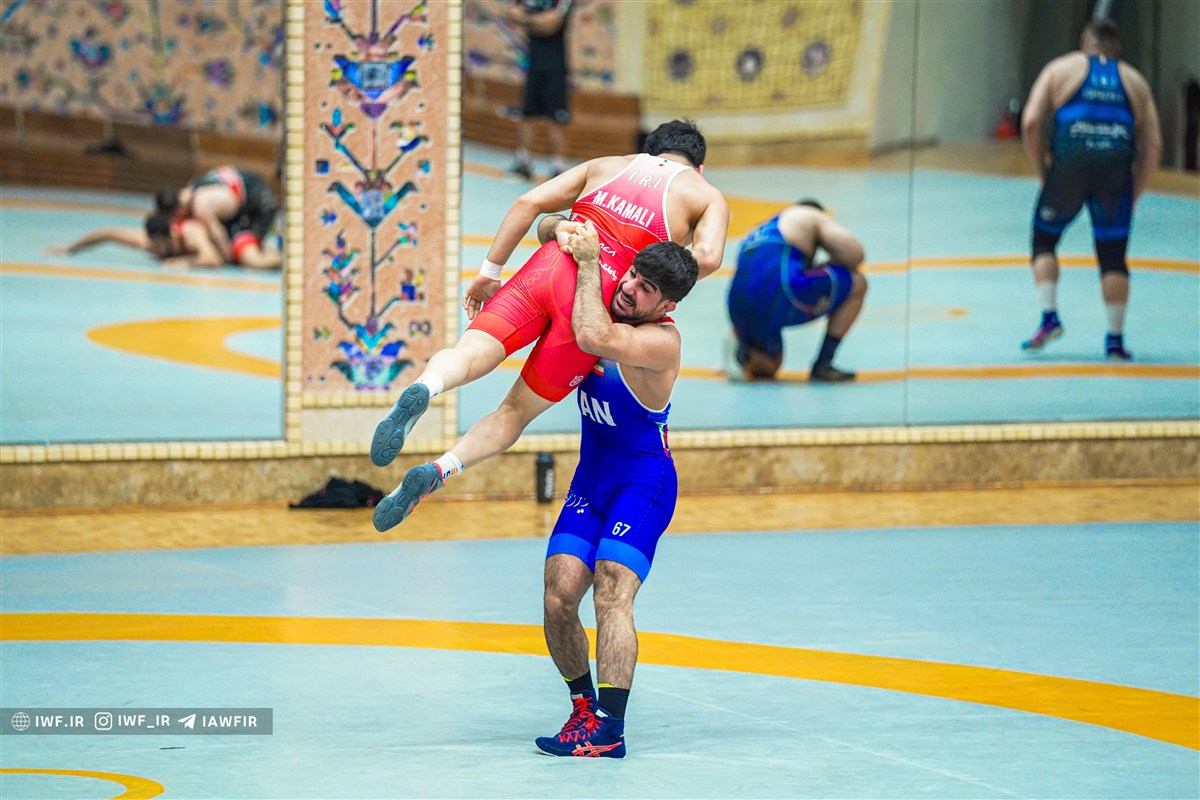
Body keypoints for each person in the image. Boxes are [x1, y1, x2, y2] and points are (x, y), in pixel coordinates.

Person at [369, 119, 729, 531]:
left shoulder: (607, 164)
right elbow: (707, 257)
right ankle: (442, 468)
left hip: (551, 263)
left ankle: (427, 386)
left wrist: (490, 271)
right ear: (699, 168)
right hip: (595, 297)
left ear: (648, 149)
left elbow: (527, 203)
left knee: (469, 353)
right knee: (515, 411)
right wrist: (650, 266)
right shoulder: (705, 194)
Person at [541, 222, 697, 758]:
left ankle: (610, 728)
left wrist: (590, 263)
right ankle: (583, 709)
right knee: (559, 597)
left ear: (666, 305)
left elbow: (593, 338)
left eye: (646, 288)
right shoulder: (607, 297)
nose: (629, 288)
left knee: (611, 590)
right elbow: (544, 228)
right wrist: (565, 229)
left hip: (643, 483)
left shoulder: (659, 342)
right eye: (631, 274)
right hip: (592, 480)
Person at [1019, 17, 1162, 361]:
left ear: (1084, 43)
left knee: (1044, 241)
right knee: (1113, 257)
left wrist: (1043, 171)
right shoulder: (1134, 81)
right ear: (1117, 49)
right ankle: (1115, 341)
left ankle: (1049, 317)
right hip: (1115, 173)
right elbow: (1154, 145)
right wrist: (1135, 192)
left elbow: (1031, 122)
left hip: (1068, 168)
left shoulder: (1060, 69)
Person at [725, 199, 867, 382]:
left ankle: (743, 353)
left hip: (737, 306)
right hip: (783, 290)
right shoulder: (810, 216)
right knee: (858, 283)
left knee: (769, 367)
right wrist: (826, 265)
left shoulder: (760, 229)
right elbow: (855, 254)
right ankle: (823, 364)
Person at [155, 165, 282, 271]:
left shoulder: (201, 207)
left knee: (252, 260)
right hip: (251, 186)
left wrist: (227, 257)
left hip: (258, 206)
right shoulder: (192, 186)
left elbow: (218, 234)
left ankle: (280, 255)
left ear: (178, 211)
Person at [504, 0, 573, 181]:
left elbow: (551, 24)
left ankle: (558, 167)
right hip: (533, 65)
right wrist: (536, 21)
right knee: (528, 115)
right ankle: (523, 163)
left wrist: (526, 19)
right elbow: (510, 12)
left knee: (557, 119)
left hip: (556, 66)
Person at [48, 213, 226, 269]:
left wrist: (185, 262)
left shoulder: (191, 233)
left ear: (170, 237)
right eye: (151, 243)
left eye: (157, 245)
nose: (152, 249)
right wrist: (70, 248)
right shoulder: (145, 241)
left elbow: (213, 259)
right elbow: (107, 233)